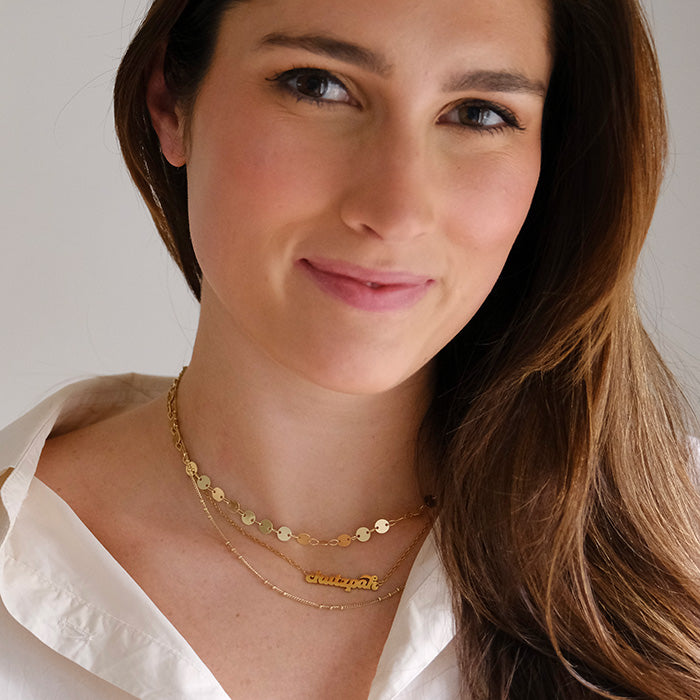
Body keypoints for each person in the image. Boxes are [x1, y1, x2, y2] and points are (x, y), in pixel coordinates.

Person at [1, 0, 699, 697]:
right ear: (171, 103)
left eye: (479, 112)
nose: (395, 211)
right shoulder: (23, 562)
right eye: (318, 85)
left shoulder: (680, 561)